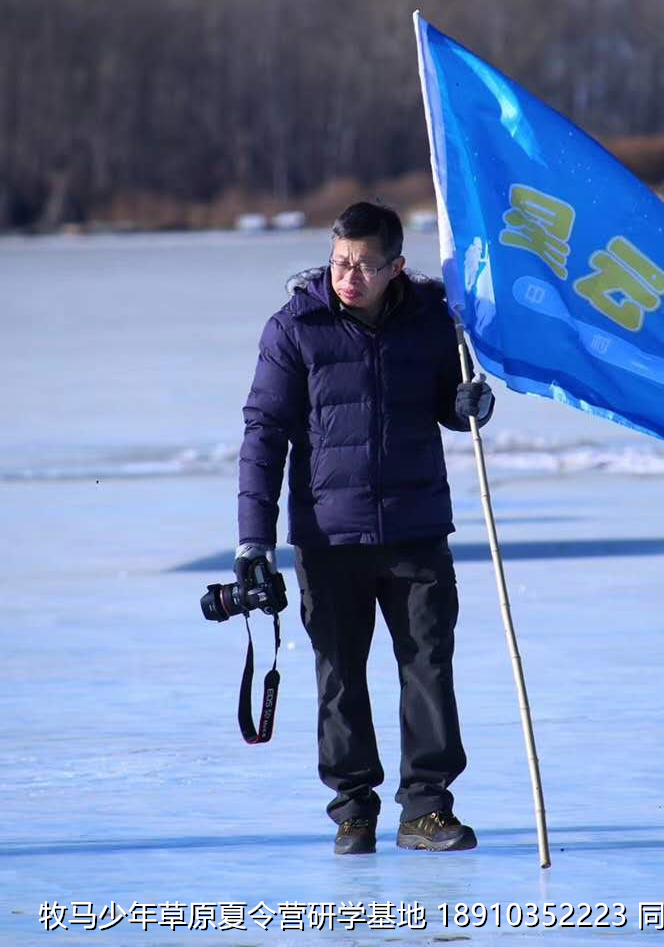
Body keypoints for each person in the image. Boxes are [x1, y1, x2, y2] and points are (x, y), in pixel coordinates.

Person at [235, 200, 495, 855]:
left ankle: (427, 810)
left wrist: (470, 404)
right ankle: (353, 809)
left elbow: (451, 401)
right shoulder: (296, 327)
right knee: (339, 674)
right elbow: (264, 435)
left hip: (416, 531)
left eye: (363, 266)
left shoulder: (435, 320)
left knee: (428, 667)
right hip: (329, 536)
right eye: (340, 261)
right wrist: (252, 541)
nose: (347, 276)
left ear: (395, 268)